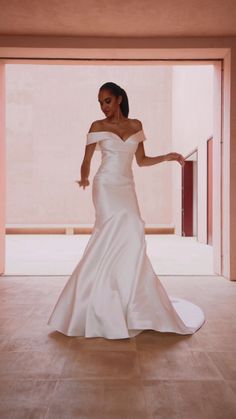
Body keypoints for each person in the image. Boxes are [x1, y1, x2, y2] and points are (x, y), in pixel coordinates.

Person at [47, 82, 205, 339]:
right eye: (100, 102)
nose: (103, 106)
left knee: (132, 229)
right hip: (106, 185)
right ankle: (94, 300)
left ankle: (127, 298)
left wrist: (166, 157)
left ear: (119, 99)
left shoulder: (136, 126)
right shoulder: (97, 127)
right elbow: (86, 160)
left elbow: (141, 161)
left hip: (126, 186)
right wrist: (84, 178)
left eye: (107, 101)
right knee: (109, 232)